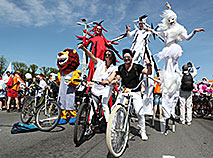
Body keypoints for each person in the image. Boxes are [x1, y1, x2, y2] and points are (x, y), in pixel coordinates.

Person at [148, 2, 205, 136]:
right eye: (170, 20)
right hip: (168, 54)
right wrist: (152, 30)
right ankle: (168, 112)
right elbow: (162, 35)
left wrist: (194, 32)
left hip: (173, 52)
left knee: (172, 75)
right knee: (167, 81)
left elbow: (186, 37)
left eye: (173, 19)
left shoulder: (178, 29)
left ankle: (171, 111)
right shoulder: (166, 30)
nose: (172, 21)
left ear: (175, 19)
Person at [111, 49, 152, 141]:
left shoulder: (137, 67)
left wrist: (149, 64)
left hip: (135, 92)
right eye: (124, 57)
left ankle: (142, 131)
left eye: (128, 57)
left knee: (139, 112)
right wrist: (114, 81)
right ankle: (114, 129)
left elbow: (149, 72)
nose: (126, 59)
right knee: (116, 108)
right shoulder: (121, 68)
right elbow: (117, 78)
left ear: (131, 58)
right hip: (125, 91)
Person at [78, 44, 118, 128]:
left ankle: (110, 126)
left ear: (112, 57)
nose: (107, 56)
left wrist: (108, 81)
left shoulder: (114, 67)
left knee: (104, 105)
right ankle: (88, 125)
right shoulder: (100, 63)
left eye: (109, 55)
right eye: (106, 55)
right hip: (96, 87)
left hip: (106, 88)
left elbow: (112, 77)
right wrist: (84, 48)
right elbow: (91, 56)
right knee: (93, 106)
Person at [126, 15, 155, 116]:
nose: (141, 25)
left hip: (143, 53)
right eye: (140, 24)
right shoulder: (137, 32)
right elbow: (129, 35)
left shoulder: (147, 32)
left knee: (147, 78)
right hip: (135, 52)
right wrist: (127, 31)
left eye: (142, 24)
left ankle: (147, 108)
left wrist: (149, 29)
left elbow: (153, 32)